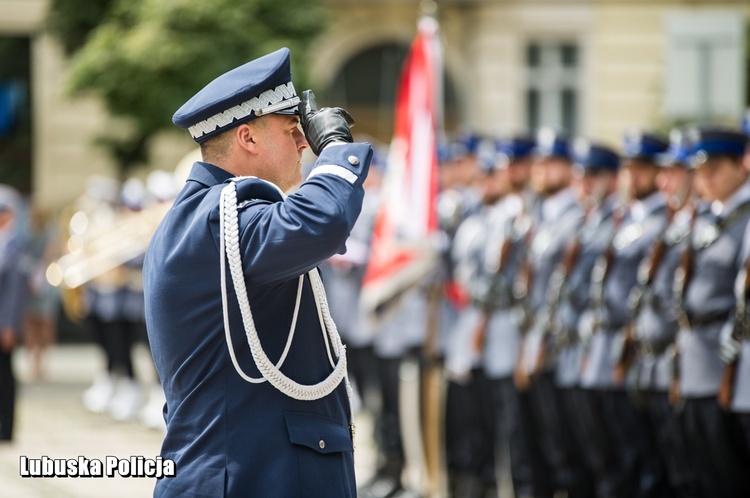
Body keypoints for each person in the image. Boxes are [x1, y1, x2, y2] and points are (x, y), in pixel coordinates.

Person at [143, 48, 372, 498]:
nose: (304, 142)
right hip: (251, 478)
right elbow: (320, 222)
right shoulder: (222, 216)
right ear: (248, 138)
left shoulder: (206, 216)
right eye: (292, 131)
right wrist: (337, 150)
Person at [677, 127, 750, 496]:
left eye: (715, 169)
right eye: (701, 172)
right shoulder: (705, 219)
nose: (706, 179)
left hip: (724, 363)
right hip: (695, 361)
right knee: (700, 476)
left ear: (741, 165)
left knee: (727, 476)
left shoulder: (745, 220)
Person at [0, 185, 28, 442]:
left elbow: (15, 292)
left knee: (5, 377)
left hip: (4, 323)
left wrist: (9, 325)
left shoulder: (15, 245)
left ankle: (6, 429)